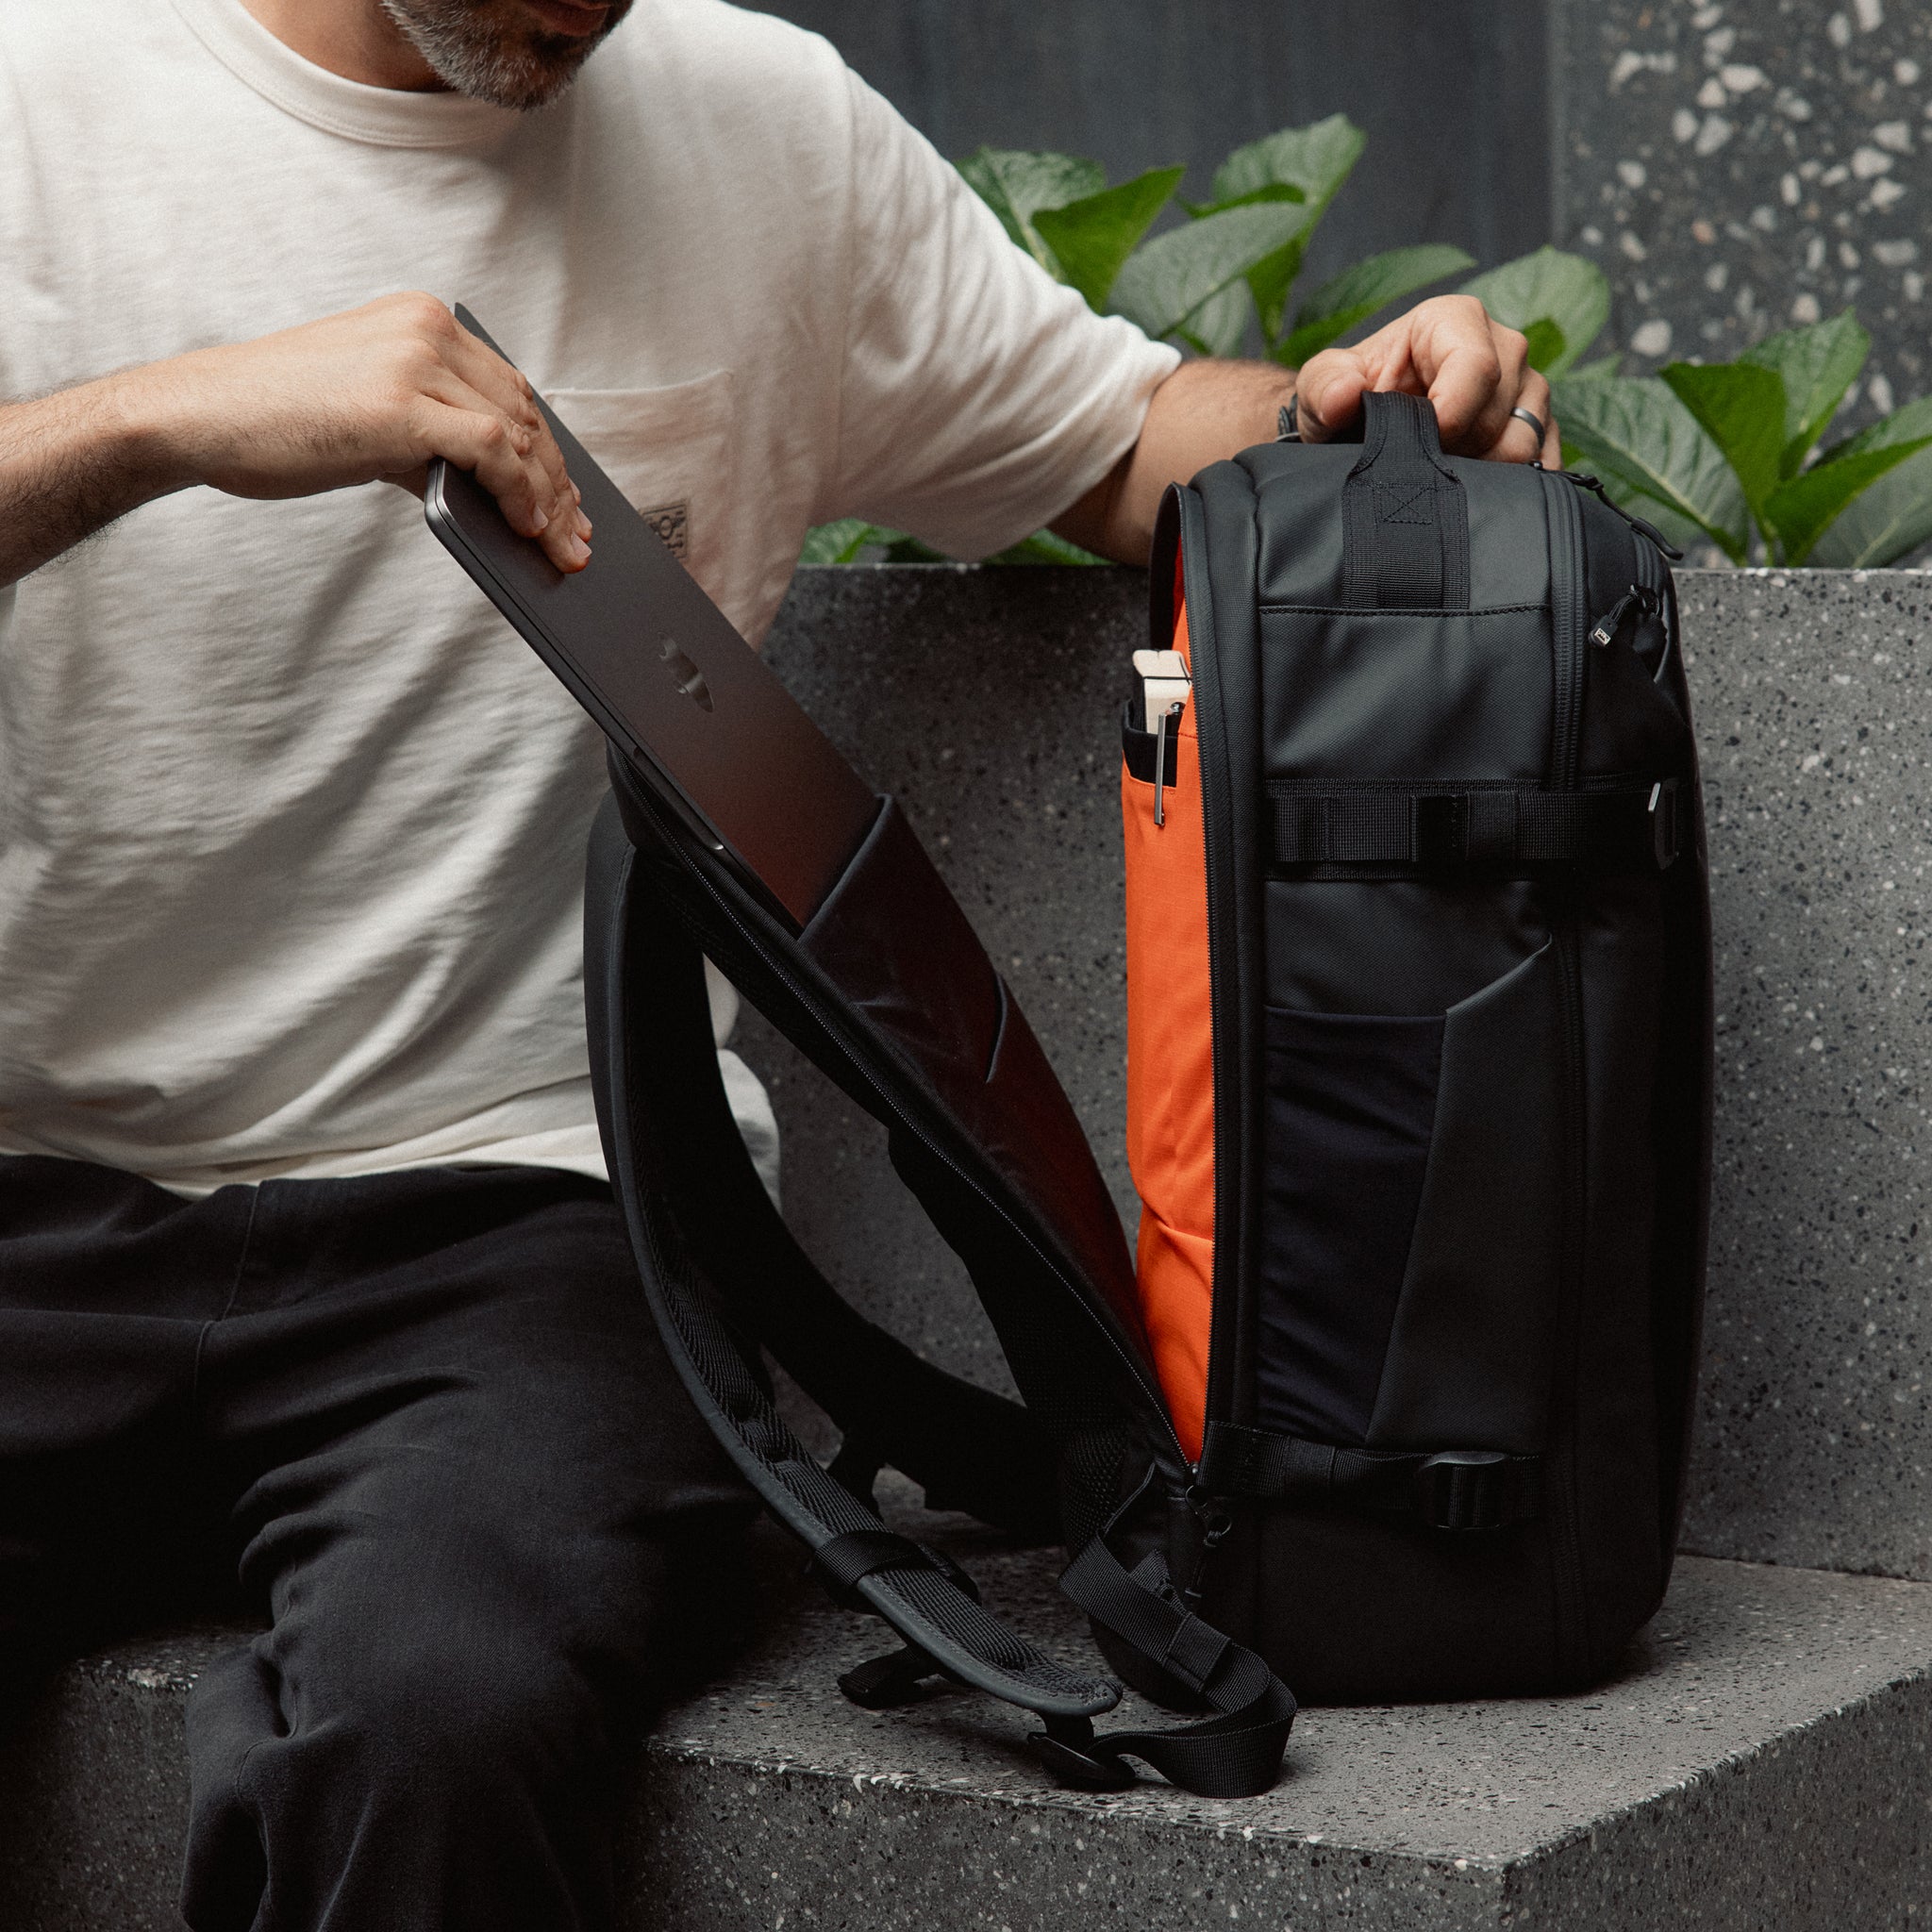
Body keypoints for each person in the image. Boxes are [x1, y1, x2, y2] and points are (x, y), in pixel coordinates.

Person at [0, 0, 1557, 1925]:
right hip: (39, 1193)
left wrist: (1373, 412)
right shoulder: (41, 91)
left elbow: (1129, 439)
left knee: (445, 1705)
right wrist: (159, 419)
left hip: (526, 1214)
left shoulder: (763, 129)